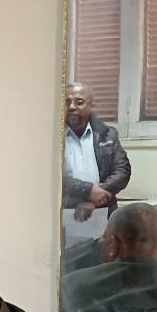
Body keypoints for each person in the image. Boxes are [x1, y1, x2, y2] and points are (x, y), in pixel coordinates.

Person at [62, 82, 131, 221]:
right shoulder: (53, 139)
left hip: (102, 212)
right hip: (64, 214)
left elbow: (122, 171)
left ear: (90, 106)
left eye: (79, 102)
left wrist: (96, 198)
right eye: (67, 102)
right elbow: (52, 177)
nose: (71, 107)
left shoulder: (107, 134)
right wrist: (88, 190)